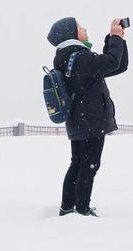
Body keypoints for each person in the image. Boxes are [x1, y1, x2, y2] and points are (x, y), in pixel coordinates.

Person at [48, 17, 128, 217]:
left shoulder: (71, 58)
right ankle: (81, 208)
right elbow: (111, 61)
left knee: (78, 163)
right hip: (90, 121)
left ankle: (68, 207)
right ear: (71, 34)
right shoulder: (80, 58)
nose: (85, 29)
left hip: (80, 121)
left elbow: (118, 65)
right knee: (88, 165)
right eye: (80, 27)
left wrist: (115, 39)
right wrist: (115, 38)